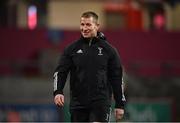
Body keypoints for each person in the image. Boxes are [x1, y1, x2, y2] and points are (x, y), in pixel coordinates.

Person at [53, 11, 126, 122]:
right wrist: (58, 92)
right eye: (82, 24)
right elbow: (60, 72)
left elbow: (117, 78)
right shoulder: (71, 49)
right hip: (78, 104)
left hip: (100, 103)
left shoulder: (109, 51)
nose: (84, 28)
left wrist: (119, 104)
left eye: (88, 25)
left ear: (97, 26)